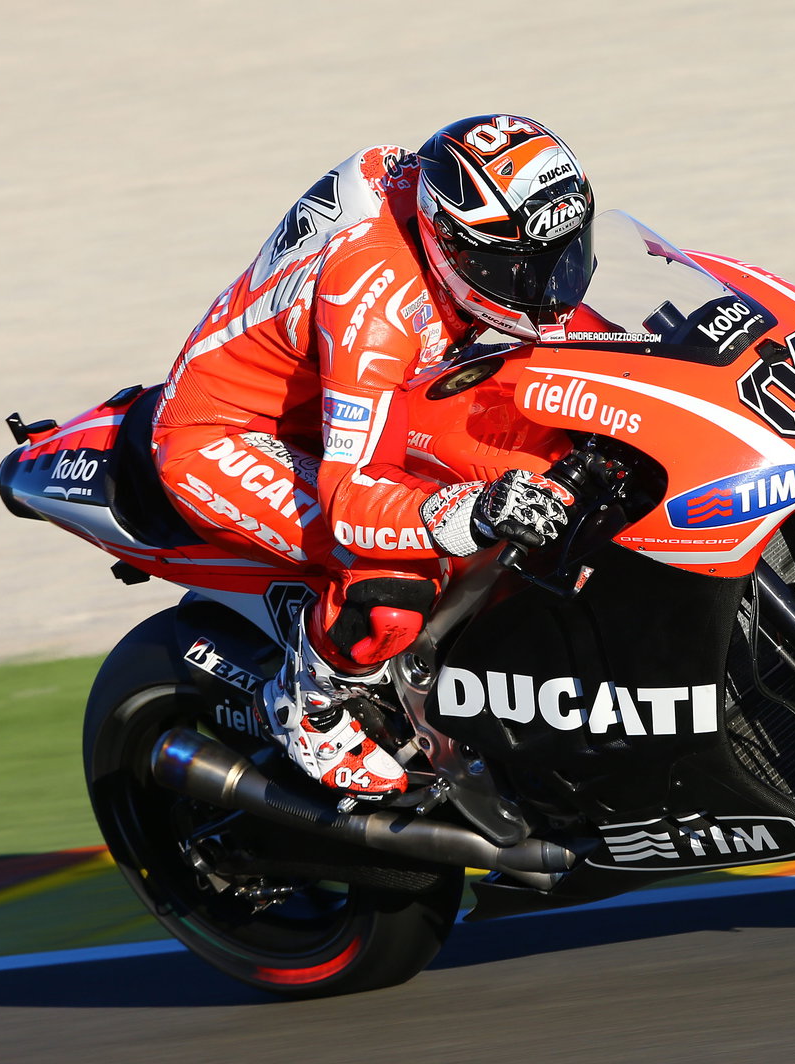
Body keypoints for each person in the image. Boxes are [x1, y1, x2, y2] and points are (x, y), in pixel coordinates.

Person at [152, 115, 595, 802]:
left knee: (547, 455)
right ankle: (313, 697)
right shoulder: (380, 301)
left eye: (564, 256)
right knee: (397, 574)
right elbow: (355, 499)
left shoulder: (446, 218)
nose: (551, 286)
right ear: (452, 244)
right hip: (228, 435)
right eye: (522, 268)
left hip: (355, 393)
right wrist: (471, 510)